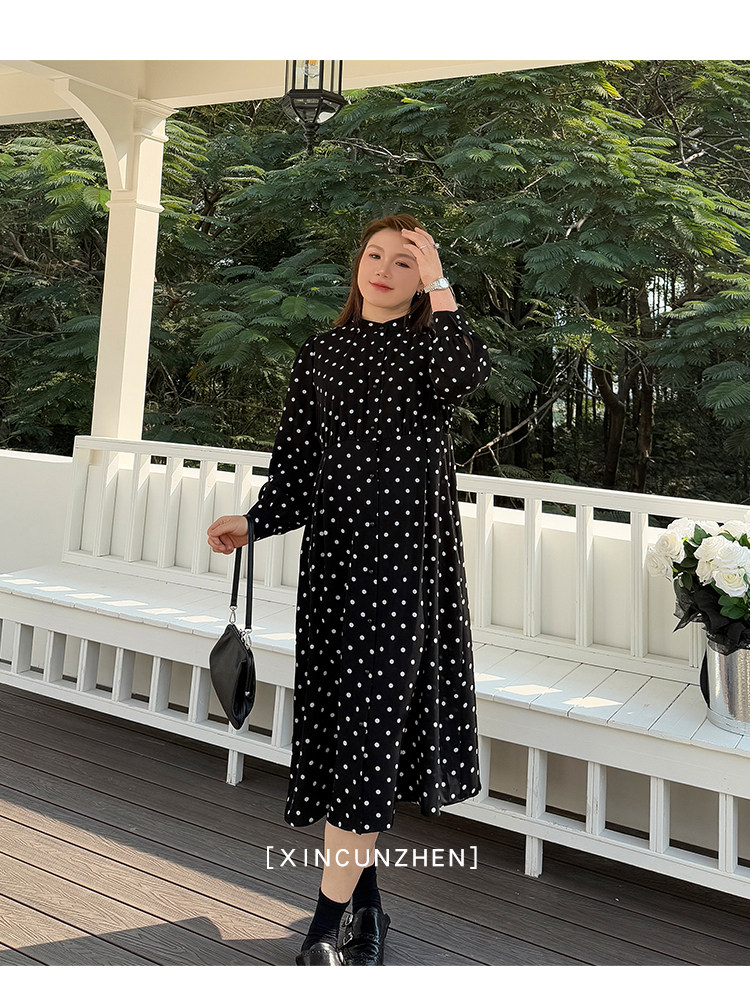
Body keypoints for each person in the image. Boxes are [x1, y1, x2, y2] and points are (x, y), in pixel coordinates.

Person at [207, 213, 491, 966]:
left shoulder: (431, 350)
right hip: (334, 572)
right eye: (375, 254)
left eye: (405, 262)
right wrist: (254, 521)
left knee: (367, 740)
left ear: (423, 281)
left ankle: (320, 933)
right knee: (346, 739)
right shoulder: (321, 353)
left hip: (403, 576)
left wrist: (440, 279)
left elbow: (466, 372)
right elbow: (299, 466)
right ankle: (367, 913)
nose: (384, 269)